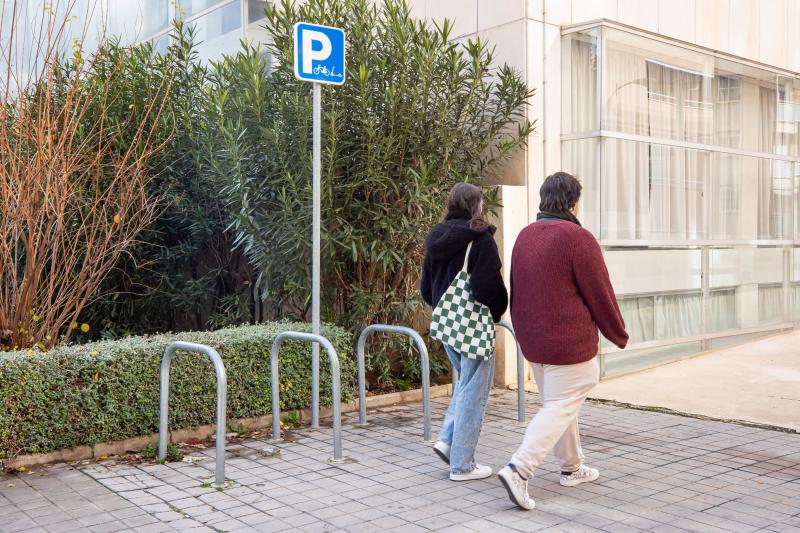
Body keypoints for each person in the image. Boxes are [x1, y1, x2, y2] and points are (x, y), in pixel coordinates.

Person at [497, 172, 628, 510]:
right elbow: (600, 293)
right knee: (561, 405)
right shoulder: (577, 237)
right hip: (568, 343)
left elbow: (518, 289)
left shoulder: (526, 235)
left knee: (559, 403)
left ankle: (571, 467)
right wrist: (617, 332)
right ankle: (518, 469)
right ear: (573, 202)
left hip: (534, 341)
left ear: (544, 199)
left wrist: (525, 334)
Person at [421, 182, 508, 481]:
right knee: (474, 393)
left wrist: (445, 308)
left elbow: (426, 289)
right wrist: (498, 311)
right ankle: (462, 465)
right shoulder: (480, 239)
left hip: (447, 325)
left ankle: (447, 440)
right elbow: (489, 288)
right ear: (477, 205)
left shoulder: (436, 237)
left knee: (466, 385)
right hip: (473, 326)